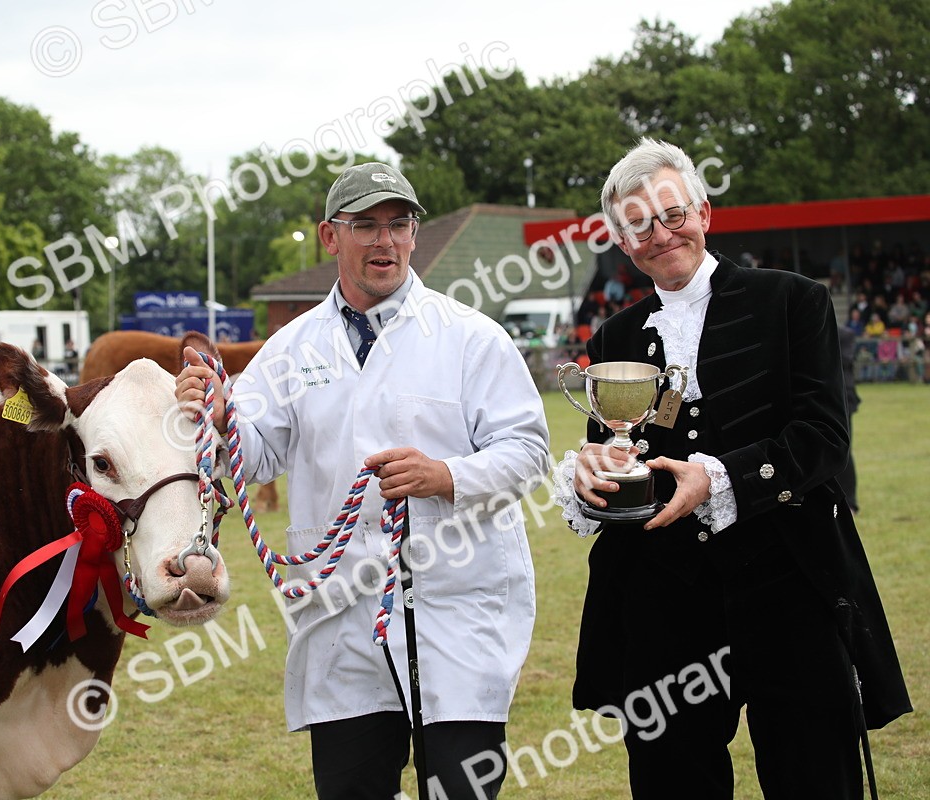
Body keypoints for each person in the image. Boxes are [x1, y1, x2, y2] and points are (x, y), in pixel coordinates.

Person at [176, 162, 551, 799]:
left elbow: (529, 450)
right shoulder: (291, 348)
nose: (385, 241)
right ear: (330, 236)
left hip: (456, 609)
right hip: (342, 614)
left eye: (398, 224)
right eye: (366, 226)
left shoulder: (471, 339)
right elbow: (256, 459)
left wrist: (446, 475)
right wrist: (218, 419)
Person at [553, 138, 910, 800]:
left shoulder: (793, 302)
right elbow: (617, 452)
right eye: (639, 225)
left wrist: (717, 479)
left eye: (672, 214)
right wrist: (590, 471)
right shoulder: (615, 338)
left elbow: (822, 436)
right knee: (671, 783)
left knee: (813, 779)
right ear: (622, 242)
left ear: (705, 212)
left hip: (788, 587)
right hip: (663, 599)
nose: (661, 235)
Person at [837, 324, 861, 511]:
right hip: (831, 397)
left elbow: (844, 361)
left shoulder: (845, 335)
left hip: (844, 397)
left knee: (845, 449)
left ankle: (850, 501)